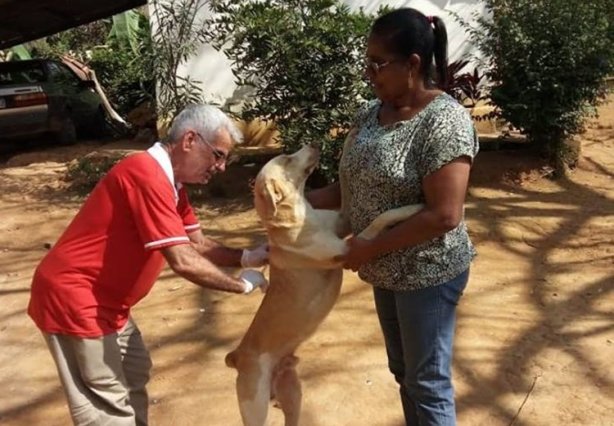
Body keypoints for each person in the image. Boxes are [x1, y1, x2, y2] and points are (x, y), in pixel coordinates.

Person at [28, 104, 269, 426]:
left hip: (112, 303)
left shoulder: (172, 185)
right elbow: (183, 261)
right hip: (75, 298)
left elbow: (196, 243)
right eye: (218, 155)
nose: (222, 167)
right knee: (105, 403)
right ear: (189, 141)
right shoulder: (146, 174)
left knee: (133, 374)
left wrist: (246, 257)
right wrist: (242, 284)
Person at [307, 8, 479, 426]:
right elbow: (351, 190)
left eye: (378, 64)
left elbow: (444, 215)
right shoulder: (372, 113)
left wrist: (368, 249)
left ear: (413, 64)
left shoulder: (445, 121)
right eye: (366, 62)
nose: (370, 73)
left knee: (427, 383)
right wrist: (292, 200)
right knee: (404, 373)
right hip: (385, 268)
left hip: (427, 272)